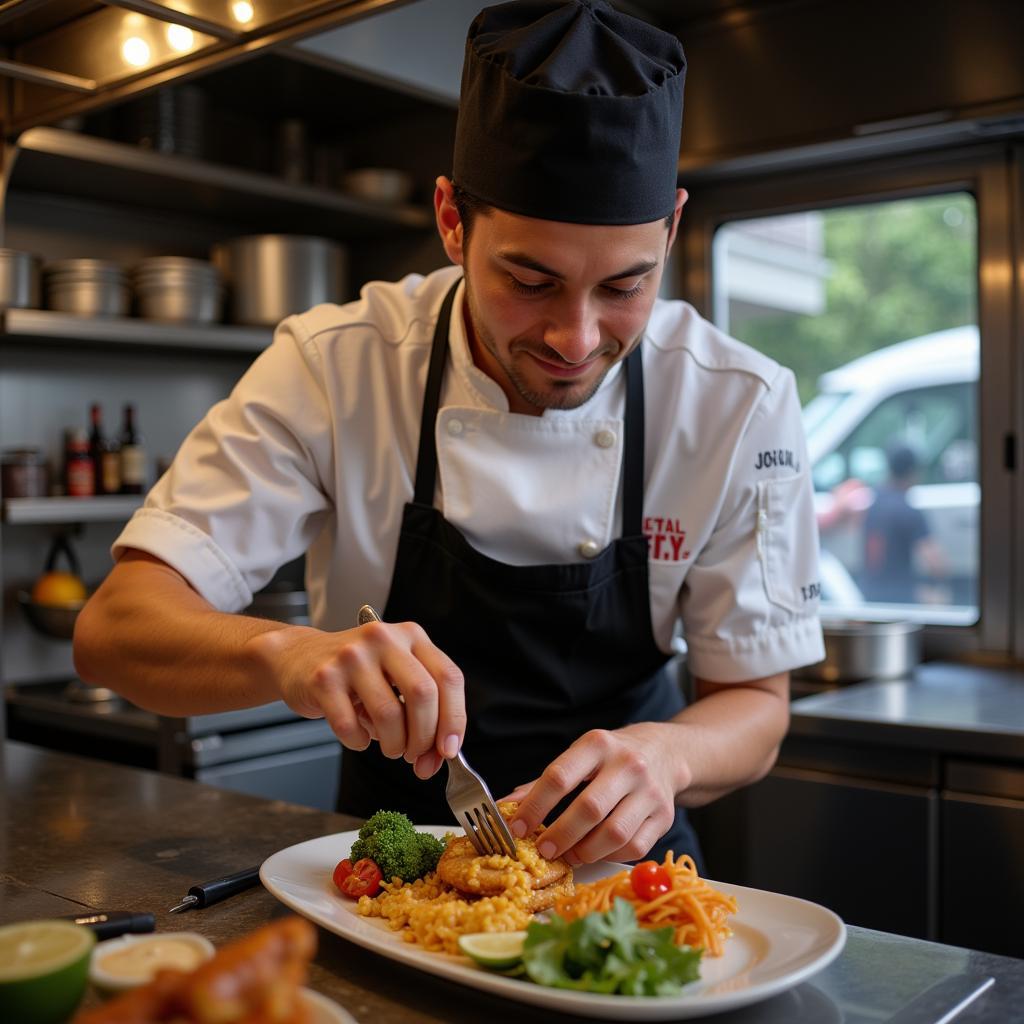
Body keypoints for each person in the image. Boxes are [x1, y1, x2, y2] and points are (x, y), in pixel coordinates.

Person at [74, 0, 824, 869]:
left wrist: (671, 754)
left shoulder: (737, 402)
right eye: (530, 280)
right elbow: (115, 629)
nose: (576, 339)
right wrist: (286, 654)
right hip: (385, 877)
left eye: (625, 285)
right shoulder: (337, 365)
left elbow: (757, 706)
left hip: (634, 880)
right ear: (451, 221)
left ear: (673, 229)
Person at [861, 442, 945, 603]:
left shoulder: (873, 503)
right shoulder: (908, 512)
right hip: (900, 598)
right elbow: (936, 563)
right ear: (913, 472)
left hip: (869, 594)